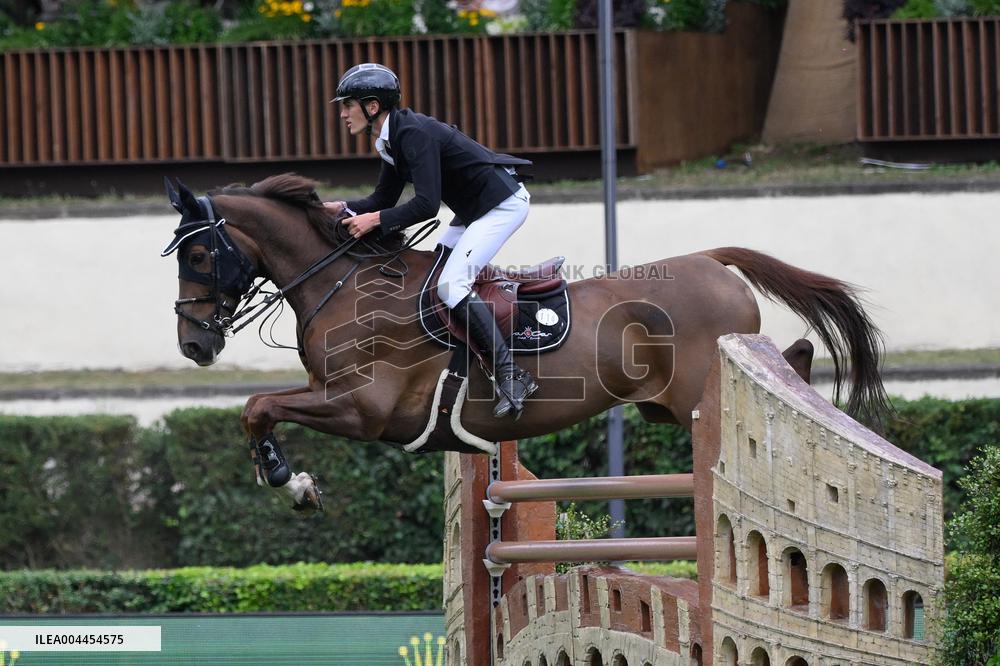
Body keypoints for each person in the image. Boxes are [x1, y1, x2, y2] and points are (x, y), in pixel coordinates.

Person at [325, 62, 537, 419]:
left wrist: (374, 220)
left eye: (348, 105)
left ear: (372, 106)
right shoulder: (390, 138)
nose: (343, 114)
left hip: (501, 206)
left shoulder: (413, 134)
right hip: (475, 210)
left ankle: (513, 376)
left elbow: (426, 204)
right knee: (434, 277)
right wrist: (342, 207)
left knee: (451, 285)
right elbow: (382, 200)